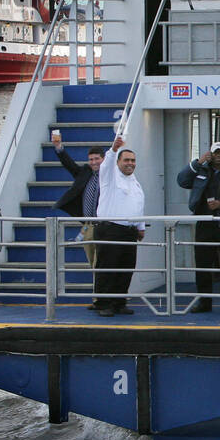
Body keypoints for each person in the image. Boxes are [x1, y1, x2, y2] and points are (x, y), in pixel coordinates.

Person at [176, 142, 220, 314]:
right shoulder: (200, 170)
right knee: (203, 265)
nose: (217, 155)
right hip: (205, 223)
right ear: (210, 154)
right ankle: (204, 302)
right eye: (215, 152)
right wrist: (197, 162)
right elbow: (182, 180)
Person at [93, 135, 145, 316]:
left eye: (133, 160)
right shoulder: (109, 177)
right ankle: (103, 303)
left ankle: (119, 301)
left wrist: (140, 227)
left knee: (126, 267)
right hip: (110, 229)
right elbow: (106, 164)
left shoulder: (134, 181)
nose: (130, 163)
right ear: (118, 162)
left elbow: (138, 203)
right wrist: (114, 150)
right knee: (108, 267)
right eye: (126, 160)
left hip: (129, 231)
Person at [52, 136, 103, 267]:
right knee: (93, 263)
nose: (94, 162)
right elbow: (70, 165)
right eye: (91, 159)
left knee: (101, 261)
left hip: (103, 225)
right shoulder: (85, 172)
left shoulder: (109, 175)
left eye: (97, 159)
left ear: (103, 159)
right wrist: (59, 147)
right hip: (88, 225)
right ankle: (97, 285)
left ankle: (101, 286)